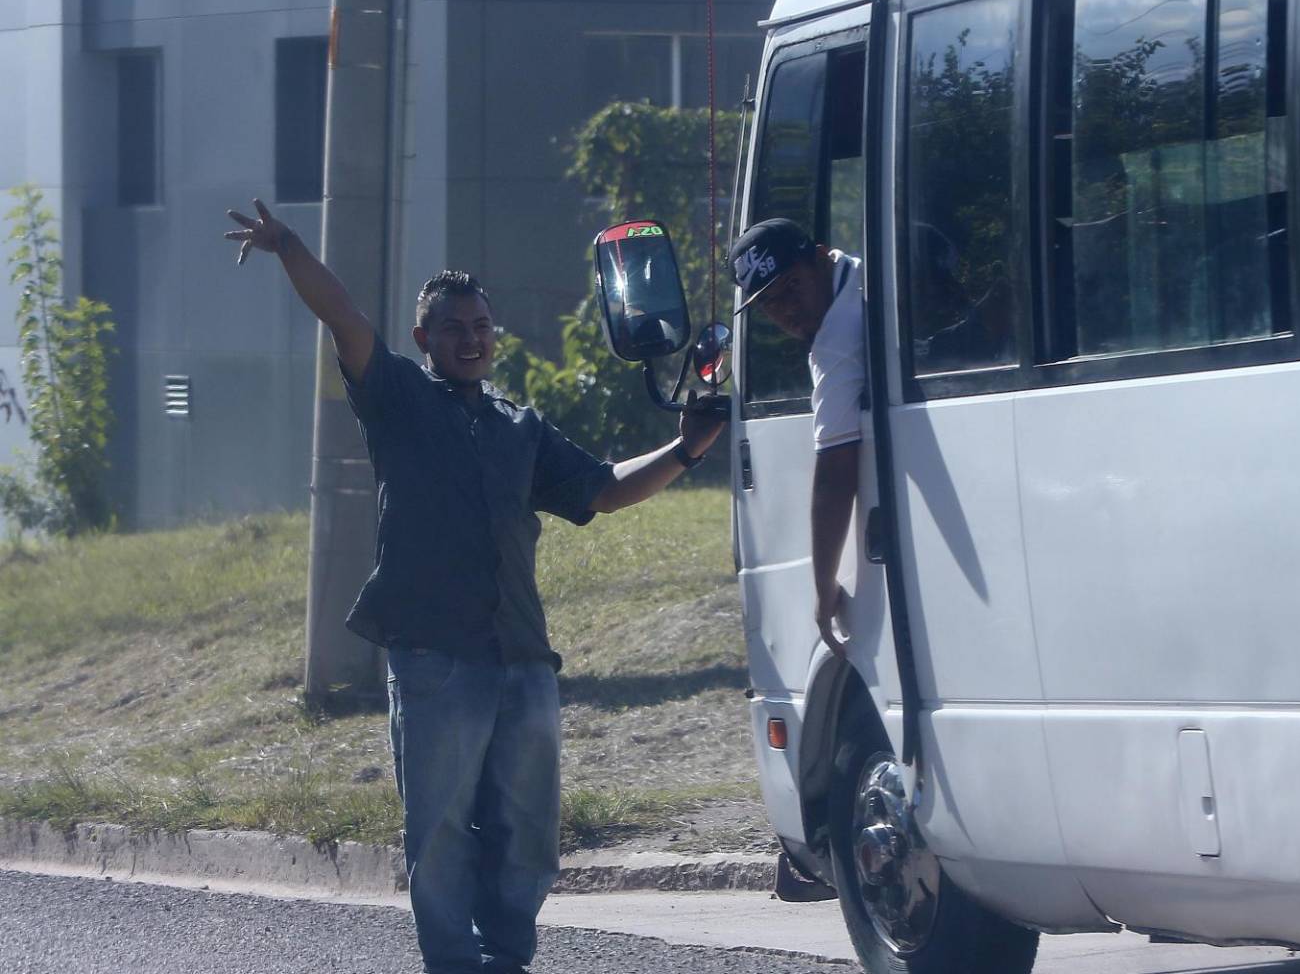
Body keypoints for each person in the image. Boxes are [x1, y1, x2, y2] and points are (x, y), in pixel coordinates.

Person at [221, 199, 726, 974]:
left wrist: (686, 449)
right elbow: (345, 318)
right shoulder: (395, 397)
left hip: (523, 659)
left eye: (482, 327)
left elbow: (601, 488)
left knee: (528, 830)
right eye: (454, 328)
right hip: (435, 660)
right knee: (443, 829)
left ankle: (507, 960)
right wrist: (287, 245)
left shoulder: (519, 427)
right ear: (425, 339)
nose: (471, 339)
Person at [729, 218, 862, 658]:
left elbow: (836, 468)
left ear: (821, 257)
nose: (786, 309)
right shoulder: (854, 275)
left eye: (791, 287)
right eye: (768, 303)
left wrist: (824, 584)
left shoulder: (839, 333)